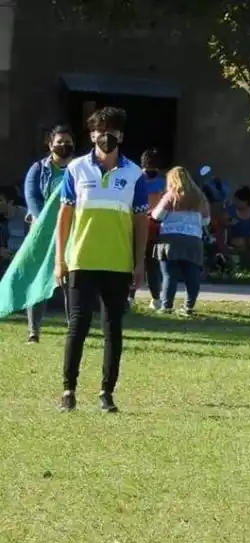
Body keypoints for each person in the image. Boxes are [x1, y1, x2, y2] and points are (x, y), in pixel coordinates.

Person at [55, 106, 148, 413]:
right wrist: (59, 259)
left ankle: (106, 393)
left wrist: (139, 263)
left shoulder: (134, 174)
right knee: (78, 326)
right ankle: (68, 390)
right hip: (82, 259)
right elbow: (64, 217)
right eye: (100, 130)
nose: (106, 136)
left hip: (118, 263)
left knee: (112, 329)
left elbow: (141, 222)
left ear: (121, 135)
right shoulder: (76, 169)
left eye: (112, 131)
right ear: (92, 134)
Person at [21, 125, 76, 342]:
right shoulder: (38, 169)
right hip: (42, 233)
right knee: (38, 279)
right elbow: (32, 196)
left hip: (72, 231)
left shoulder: (79, 168)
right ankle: (34, 331)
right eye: (59, 142)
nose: (63, 145)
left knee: (71, 280)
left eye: (67, 142)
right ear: (50, 144)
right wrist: (45, 221)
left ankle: (74, 328)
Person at [150, 166, 209, 315]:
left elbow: (158, 215)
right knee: (192, 275)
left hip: (170, 239)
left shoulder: (171, 196)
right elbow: (206, 221)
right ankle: (189, 306)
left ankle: (166, 306)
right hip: (193, 239)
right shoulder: (200, 197)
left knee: (169, 275)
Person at [130, 147, 166, 310]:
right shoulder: (163, 183)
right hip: (155, 227)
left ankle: (130, 296)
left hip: (136, 224)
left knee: (133, 262)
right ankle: (156, 299)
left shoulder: (135, 179)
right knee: (152, 265)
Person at [225, 185, 250, 269]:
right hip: (236, 236)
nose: (236, 202)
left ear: (245, 201)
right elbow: (223, 220)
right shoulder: (232, 209)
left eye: (238, 201)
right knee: (240, 242)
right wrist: (230, 222)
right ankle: (240, 268)